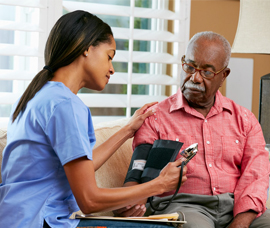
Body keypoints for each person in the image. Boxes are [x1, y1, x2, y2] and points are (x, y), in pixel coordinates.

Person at [0, 10, 188, 228]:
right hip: (42, 221)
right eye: (109, 56)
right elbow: (89, 200)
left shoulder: (35, 97)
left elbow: (81, 168)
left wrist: (128, 130)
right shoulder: (66, 105)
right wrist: (159, 184)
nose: (112, 69)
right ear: (87, 48)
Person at [114, 31, 270, 228]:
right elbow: (137, 172)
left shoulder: (245, 120)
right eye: (189, 66)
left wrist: (241, 222)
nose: (194, 78)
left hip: (236, 206)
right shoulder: (155, 117)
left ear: (223, 75)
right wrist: (128, 201)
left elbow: (256, 175)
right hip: (183, 206)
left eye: (206, 72)